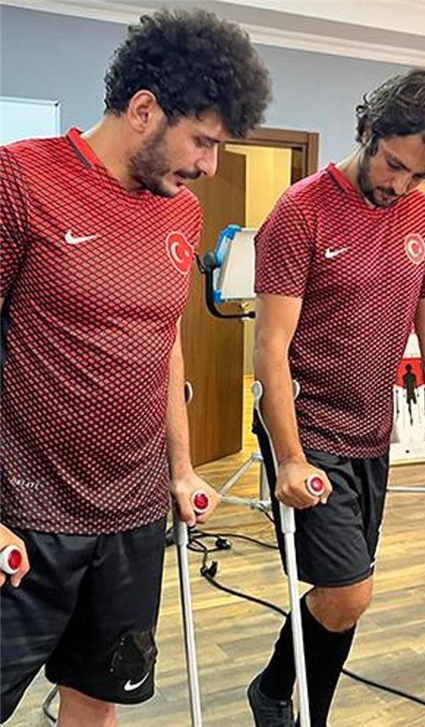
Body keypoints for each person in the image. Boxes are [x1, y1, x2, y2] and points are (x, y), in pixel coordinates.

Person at [0, 9, 271, 726]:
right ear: (144, 110)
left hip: (133, 515)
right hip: (25, 513)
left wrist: (182, 469)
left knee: (98, 701)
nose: (210, 165)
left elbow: (165, 340)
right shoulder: (20, 179)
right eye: (202, 141)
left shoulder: (180, 213)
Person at [249, 68, 425, 727]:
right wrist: (288, 456)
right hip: (309, 426)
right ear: (368, 129)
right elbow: (270, 347)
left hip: (371, 430)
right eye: (392, 164)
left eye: (416, 176)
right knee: (348, 590)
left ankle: (282, 696)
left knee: (345, 595)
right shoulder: (300, 211)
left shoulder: (418, 213)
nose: (399, 185)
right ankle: (283, 698)